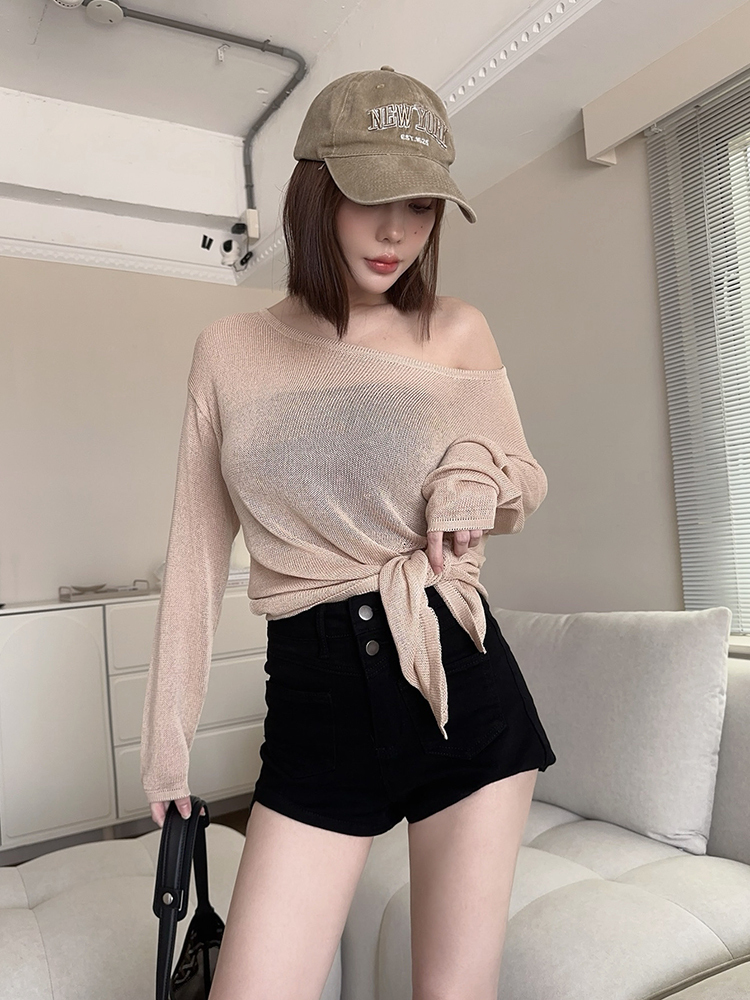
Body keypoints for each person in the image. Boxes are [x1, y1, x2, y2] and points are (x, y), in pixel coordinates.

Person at [140, 65, 556, 1000]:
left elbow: (522, 478)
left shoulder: (456, 330)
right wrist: (167, 741)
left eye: (421, 205)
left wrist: (472, 473)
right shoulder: (229, 351)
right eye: (373, 198)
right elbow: (197, 554)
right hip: (315, 702)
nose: (397, 231)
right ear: (316, 189)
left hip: (459, 681)